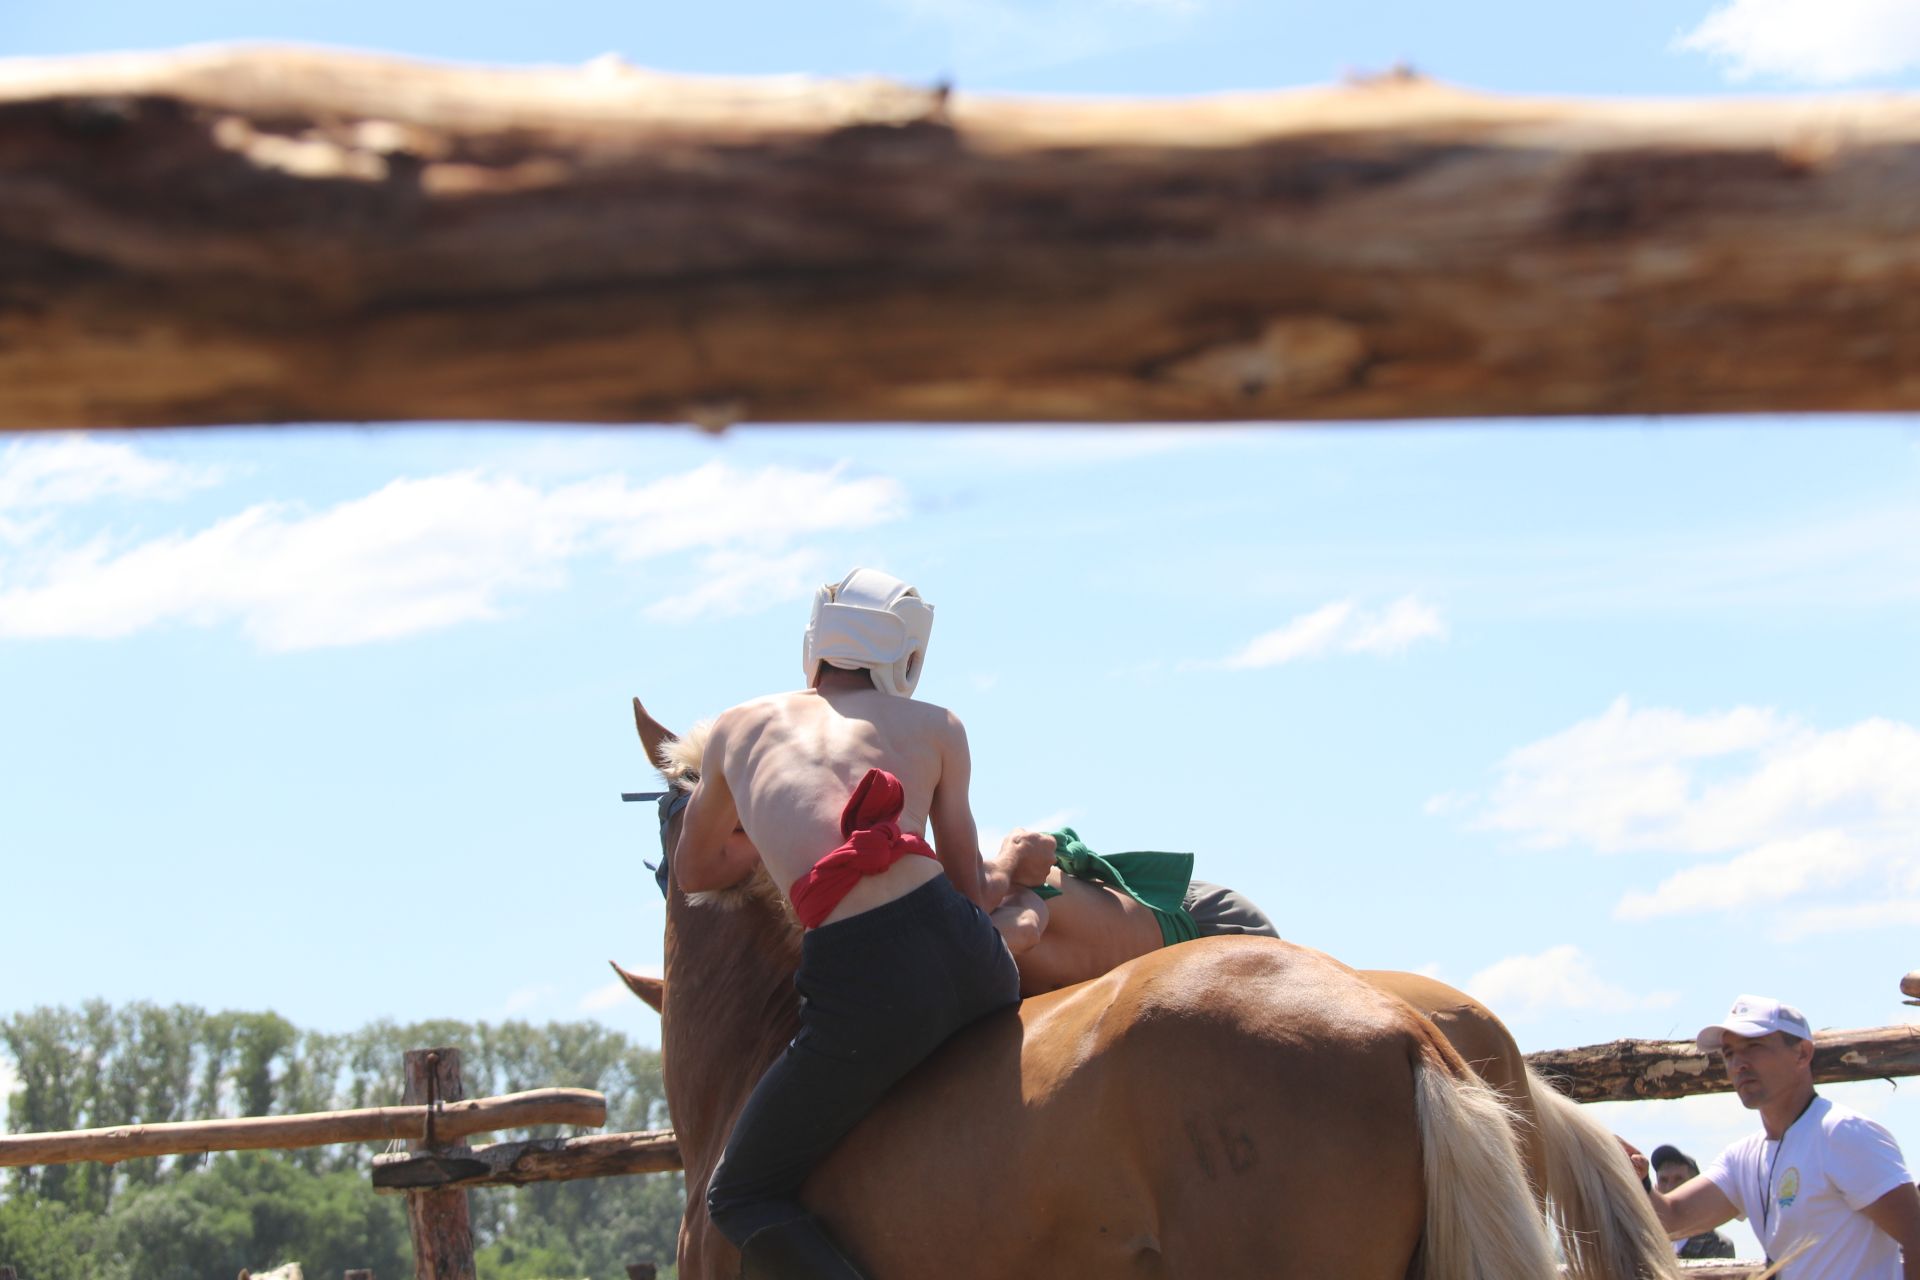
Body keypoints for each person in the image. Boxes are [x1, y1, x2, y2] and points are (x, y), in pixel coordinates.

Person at [671, 568, 1019, 1280]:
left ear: (815, 642)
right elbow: (972, 891)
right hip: (975, 962)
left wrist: (767, 833)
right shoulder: (940, 726)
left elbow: (696, 871)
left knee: (736, 1194)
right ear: (909, 656)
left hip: (869, 986)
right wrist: (1020, 877)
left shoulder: (738, 729)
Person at [1638, 995, 1920, 1279]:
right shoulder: (1743, 1158)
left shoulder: (1842, 1133)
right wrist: (1637, 1177)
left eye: (1754, 1047)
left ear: (1802, 1053)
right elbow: (1672, 1219)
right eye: (1729, 1053)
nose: (1739, 1063)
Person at [1646, 1145, 1735, 1259]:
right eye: (1663, 1180)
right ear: (1656, 1186)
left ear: (1695, 1187)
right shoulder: (1645, 1242)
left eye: (1679, 1179)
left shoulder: (1717, 1245)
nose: (1669, 1187)